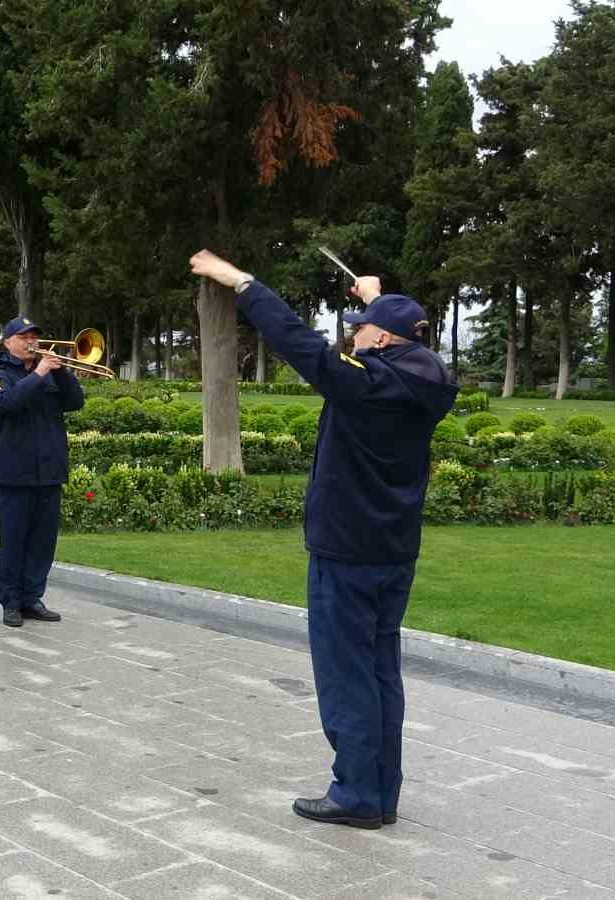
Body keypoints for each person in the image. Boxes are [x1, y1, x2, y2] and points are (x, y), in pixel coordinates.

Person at [190, 249, 457, 831]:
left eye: (359, 329)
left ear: (381, 343)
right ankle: (382, 791)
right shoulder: (427, 378)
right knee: (381, 668)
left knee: (345, 674)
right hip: (394, 550)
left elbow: (297, 341)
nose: (351, 335)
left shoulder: (362, 385)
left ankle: (357, 792)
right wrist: (376, 301)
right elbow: (395, 336)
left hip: (346, 549)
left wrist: (242, 281)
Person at [0, 317, 84, 627]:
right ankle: (11, 601)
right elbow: (6, 404)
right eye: (24, 336)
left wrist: (62, 371)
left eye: (34, 337)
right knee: (14, 540)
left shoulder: (50, 371)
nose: (31, 342)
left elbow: (76, 402)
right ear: (7, 342)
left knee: (43, 540)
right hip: (15, 470)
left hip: (49, 469)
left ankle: (32, 596)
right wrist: (39, 373)